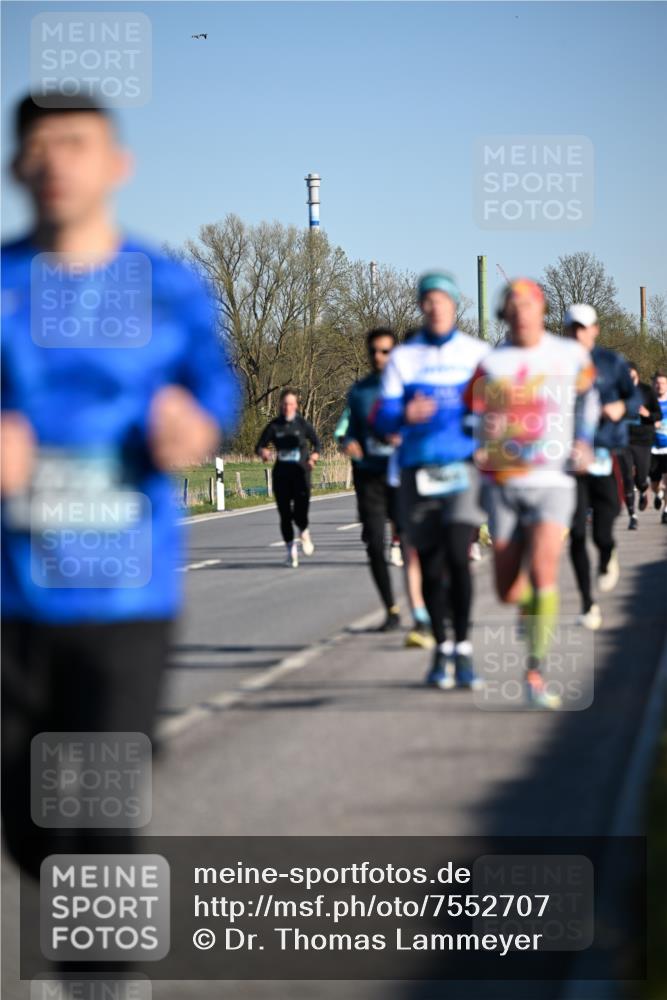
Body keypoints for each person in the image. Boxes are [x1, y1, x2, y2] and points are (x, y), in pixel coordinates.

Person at [1, 94, 241, 876]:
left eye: (76, 144)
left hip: (125, 596)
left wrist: (193, 425)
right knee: (31, 833)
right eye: (38, 146)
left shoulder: (165, 286)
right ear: (15, 166)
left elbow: (213, 389)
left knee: (102, 830)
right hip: (13, 596)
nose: (56, 163)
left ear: (117, 165)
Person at [466, 280, 596, 709]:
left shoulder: (569, 355)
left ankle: (535, 673)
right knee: (507, 590)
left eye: (529, 304)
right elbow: (474, 417)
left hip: (553, 482)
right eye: (513, 306)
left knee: (544, 571)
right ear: (505, 315)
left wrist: (586, 439)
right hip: (503, 485)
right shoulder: (492, 363)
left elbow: (589, 399)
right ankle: (529, 610)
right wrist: (480, 444)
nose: (521, 311)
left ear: (541, 310)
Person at [374, 271, 489, 690]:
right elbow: (380, 415)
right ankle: (442, 649)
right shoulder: (405, 358)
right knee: (434, 562)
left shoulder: (478, 354)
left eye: (443, 300)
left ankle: (463, 647)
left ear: (455, 306)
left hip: (463, 471)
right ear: (421, 307)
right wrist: (404, 415)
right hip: (417, 472)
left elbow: (495, 412)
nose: (435, 307)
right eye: (428, 300)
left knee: (459, 556)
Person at [563, 305, 638, 630]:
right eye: (572, 329)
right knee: (577, 532)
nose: (578, 334)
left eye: (584, 328)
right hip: (569, 458)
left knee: (603, 528)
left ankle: (608, 554)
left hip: (606, 453)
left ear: (595, 330)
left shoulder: (611, 362)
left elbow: (636, 397)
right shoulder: (557, 365)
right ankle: (587, 603)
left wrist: (622, 406)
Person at [336, 328, 402, 630]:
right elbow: (350, 431)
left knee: (414, 545)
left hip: (402, 475)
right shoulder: (359, 392)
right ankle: (391, 609)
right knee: (375, 545)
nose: (379, 357)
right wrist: (347, 442)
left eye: (386, 351)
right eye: (374, 351)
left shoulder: (407, 388)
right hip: (369, 478)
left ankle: (426, 606)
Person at [256, 389, 320, 566]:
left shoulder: (302, 424)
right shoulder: (275, 426)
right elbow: (260, 446)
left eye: (291, 404)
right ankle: (291, 551)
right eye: (284, 404)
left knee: (300, 513)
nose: (287, 407)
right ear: (280, 406)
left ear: (296, 405)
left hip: (301, 473)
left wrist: (314, 457)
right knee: (285, 515)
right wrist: (264, 452)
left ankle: (304, 531)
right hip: (282, 475)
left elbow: (317, 443)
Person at [623, 362, 663, 526]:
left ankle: (643, 490)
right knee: (626, 476)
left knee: (641, 476)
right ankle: (633, 516)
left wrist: (647, 414)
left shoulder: (647, 391)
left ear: (636, 374)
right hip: (623, 439)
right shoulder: (618, 391)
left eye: (631, 374)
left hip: (643, 440)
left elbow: (658, 415)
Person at [650, 370, 667, 523]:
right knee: (654, 484)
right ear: (653, 385)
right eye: (657, 383)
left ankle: (666, 510)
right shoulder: (648, 403)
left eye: (663, 383)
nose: (660, 386)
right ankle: (658, 494)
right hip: (652, 448)